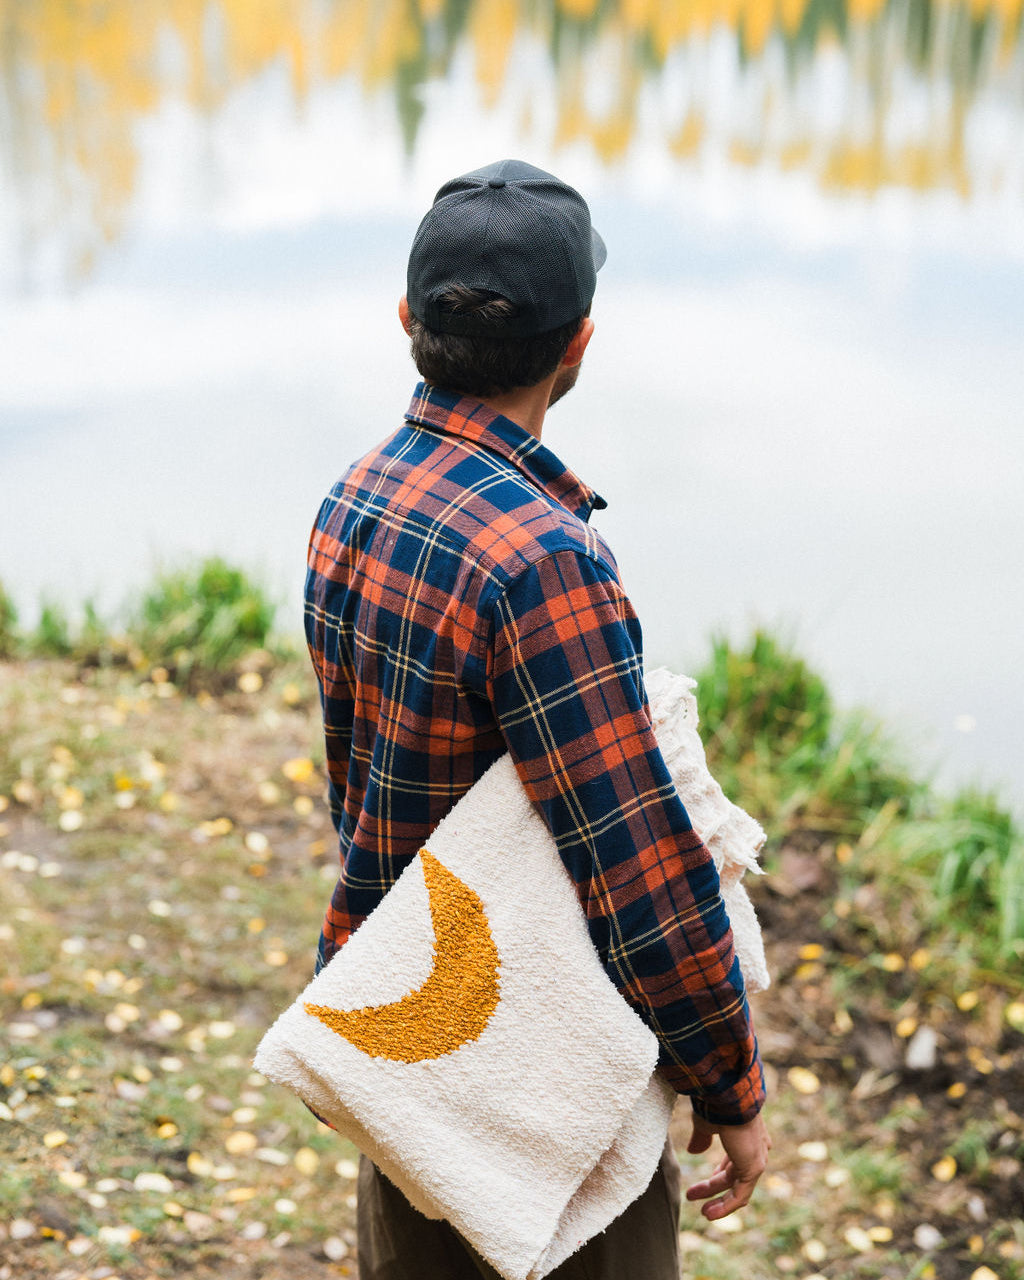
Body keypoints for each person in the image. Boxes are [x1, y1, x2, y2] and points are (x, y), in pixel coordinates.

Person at [304, 158, 769, 1280]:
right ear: (578, 345)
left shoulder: (356, 497)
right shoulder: (543, 563)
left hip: (410, 1035)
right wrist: (729, 1077)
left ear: (408, 319)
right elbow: (638, 863)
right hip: (537, 1088)